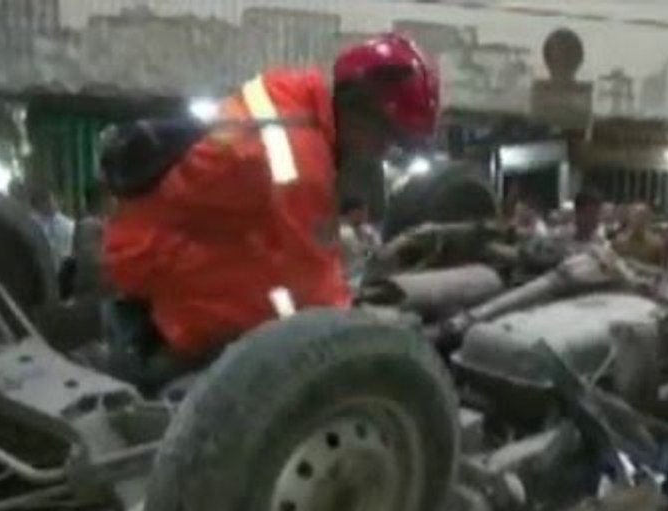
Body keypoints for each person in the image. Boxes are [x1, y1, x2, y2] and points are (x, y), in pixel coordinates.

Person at [102, 33, 439, 372]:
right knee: (284, 312)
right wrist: (364, 332)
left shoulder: (296, 94)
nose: (381, 154)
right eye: (386, 138)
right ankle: (176, 353)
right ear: (359, 108)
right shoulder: (296, 165)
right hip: (149, 258)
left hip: (152, 230)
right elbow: (310, 286)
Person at [28, 184, 75, 275]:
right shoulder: (31, 224)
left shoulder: (68, 224)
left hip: (64, 271)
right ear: (36, 205)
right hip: (40, 272)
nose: (49, 204)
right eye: (43, 202)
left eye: (51, 200)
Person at [339, 195, 381, 290]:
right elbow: (360, 255)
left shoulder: (366, 229)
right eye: (364, 212)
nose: (366, 216)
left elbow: (378, 250)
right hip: (348, 280)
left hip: (361, 277)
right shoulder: (343, 233)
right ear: (353, 212)